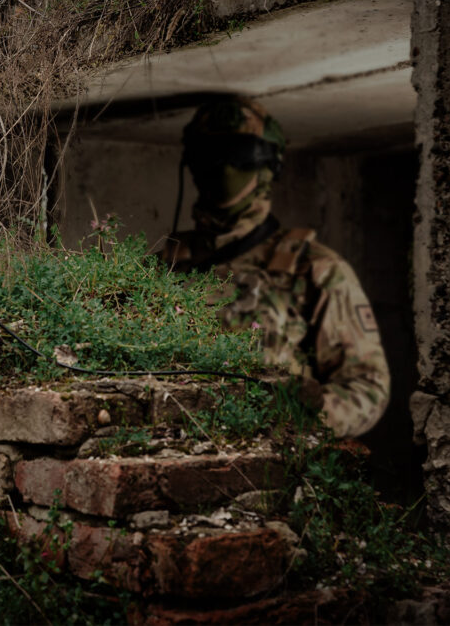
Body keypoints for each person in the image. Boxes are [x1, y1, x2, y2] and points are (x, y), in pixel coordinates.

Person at [161, 95, 390, 437]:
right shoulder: (162, 268)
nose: (224, 168)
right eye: (210, 155)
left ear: (269, 166)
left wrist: (300, 419)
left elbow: (367, 386)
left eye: (240, 156)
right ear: (193, 164)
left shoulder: (314, 268)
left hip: (273, 456)